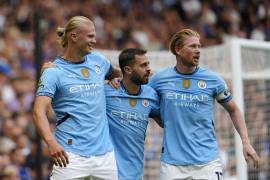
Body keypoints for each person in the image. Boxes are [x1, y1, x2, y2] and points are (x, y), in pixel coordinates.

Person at [148, 29, 260, 179]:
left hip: (207, 163)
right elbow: (144, 99)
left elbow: (234, 110)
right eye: (192, 46)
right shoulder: (159, 79)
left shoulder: (212, 79)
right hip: (172, 165)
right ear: (178, 50)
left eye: (199, 46)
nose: (198, 51)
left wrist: (246, 142)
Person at [32, 16, 119, 180]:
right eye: (90, 36)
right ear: (73, 36)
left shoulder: (99, 60)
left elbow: (117, 74)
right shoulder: (53, 72)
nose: (95, 40)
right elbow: (38, 112)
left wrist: (113, 78)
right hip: (70, 155)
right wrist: (51, 142)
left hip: (105, 156)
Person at [105, 48, 161, 180]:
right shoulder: (107, 91)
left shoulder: (151, 95)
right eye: (143, 65)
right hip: (108, 170)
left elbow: (165, 122)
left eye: (148, 64)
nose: (149, 69)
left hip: (135, 171)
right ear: (128, 70)